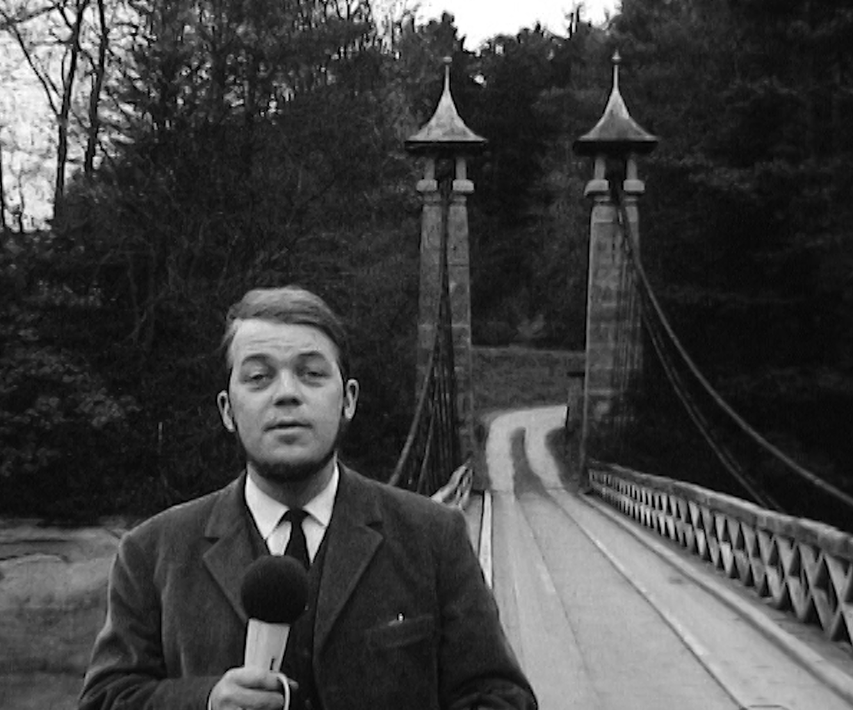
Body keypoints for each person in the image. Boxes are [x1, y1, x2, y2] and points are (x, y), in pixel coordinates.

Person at [78, 286, 537, 710]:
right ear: (227, 411)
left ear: (348, 400)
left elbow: (500, 697)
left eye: (312, 374)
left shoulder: (434, 538)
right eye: (258, 377)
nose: (287, 394)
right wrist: (205, 702)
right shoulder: (151, 553)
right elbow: (105, 698)